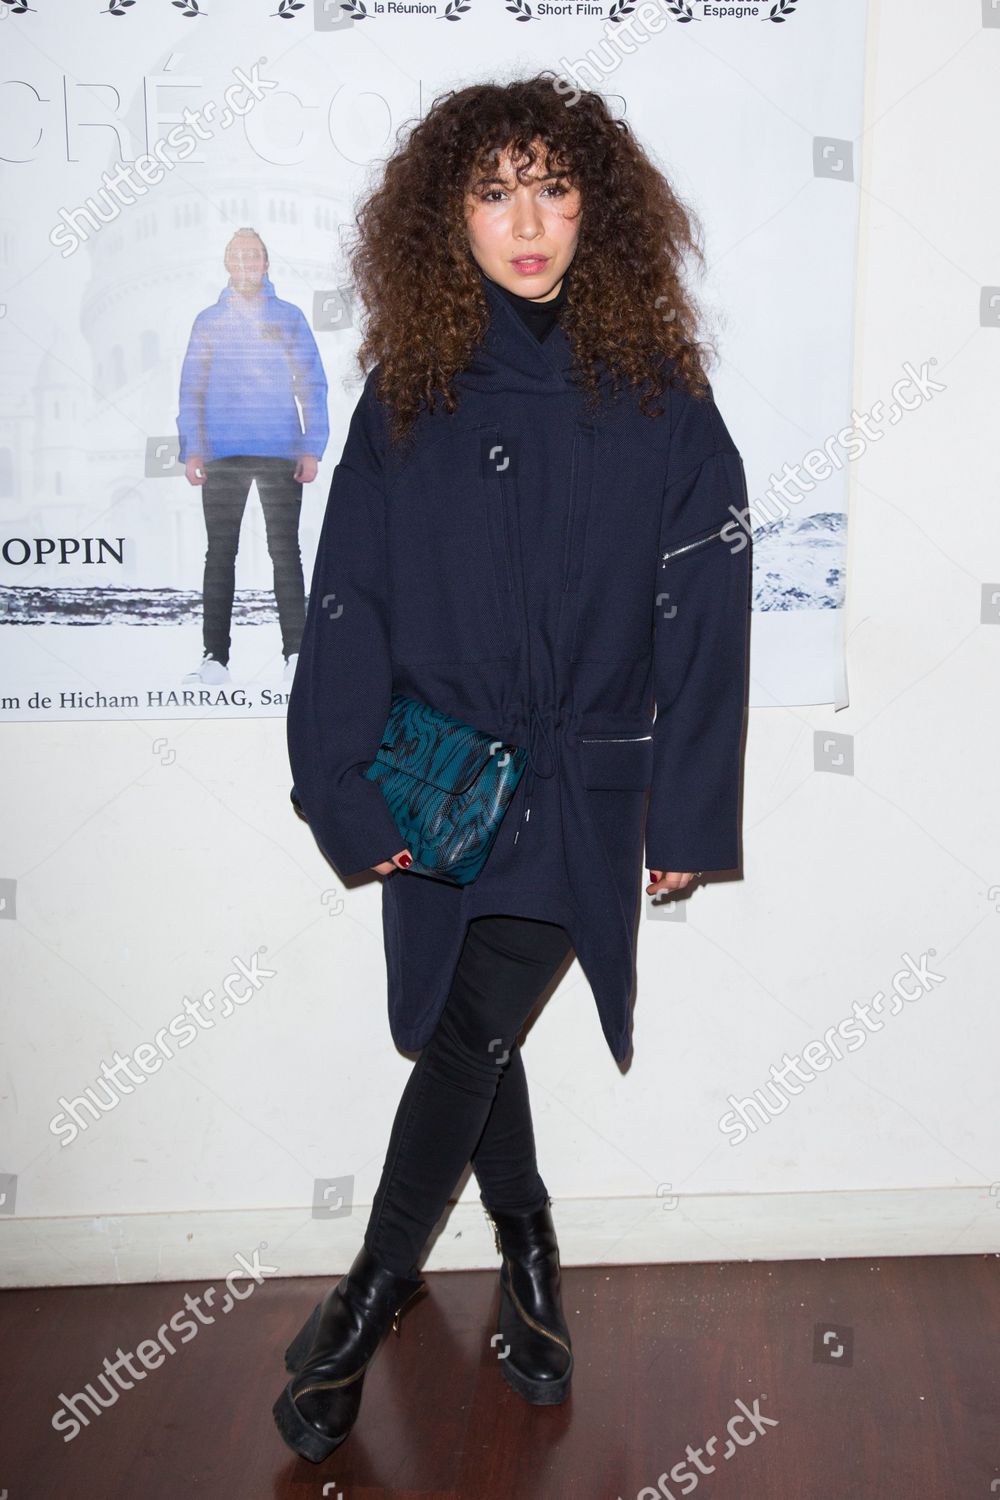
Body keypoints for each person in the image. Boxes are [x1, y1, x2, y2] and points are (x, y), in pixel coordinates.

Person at [274, 74, 752, 1464]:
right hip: (434, 777)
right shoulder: (408, 393)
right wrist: (341, 790)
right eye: (493, 192)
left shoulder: (659, 394)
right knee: (455, 1028)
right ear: (449, 219)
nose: (528, 219)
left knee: (470, 1025)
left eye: (553, 184)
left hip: (583, 784)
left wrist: (692, 804)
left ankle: (361, 1307)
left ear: (598, 203)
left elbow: (708, 614)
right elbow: (347, 596)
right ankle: (531, 1243)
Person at [176, 227, 329, 685]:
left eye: (254, 256)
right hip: (221, 452)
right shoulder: (208, 321)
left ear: (266, 264)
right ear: (228, 264)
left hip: (281, 450)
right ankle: (214, 659)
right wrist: (191, 449)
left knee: (286, 553)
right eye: (238, 256)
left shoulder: (289, 317)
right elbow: (191, 388)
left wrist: (311, 446)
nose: (246, 264)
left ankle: (297, 654)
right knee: (220, 554)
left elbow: (312, 382)